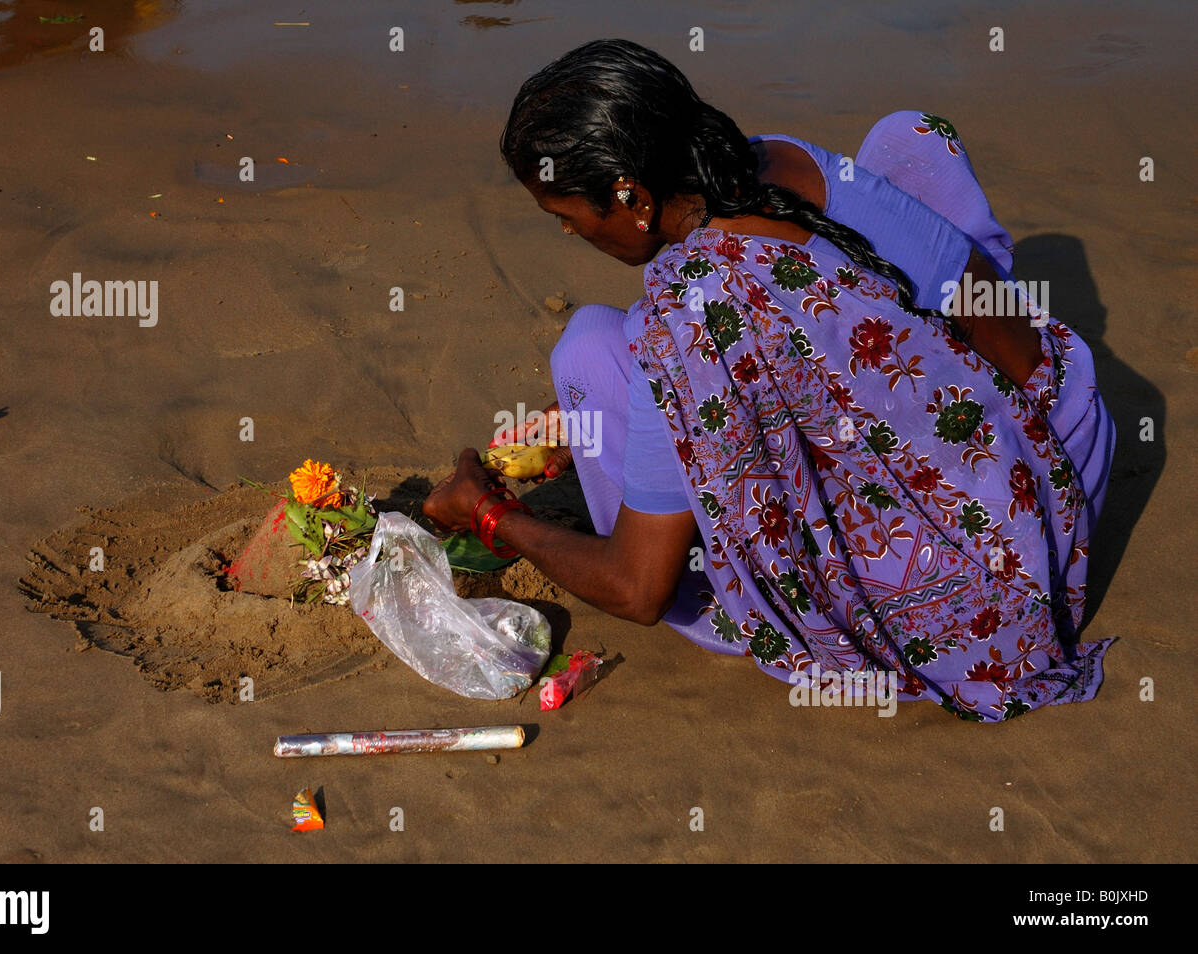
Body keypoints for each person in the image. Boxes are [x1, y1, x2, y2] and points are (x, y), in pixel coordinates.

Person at [423, 39, 1116, 723]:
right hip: (1066, 459)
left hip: (984, 596)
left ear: (629, 195)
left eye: (566, 218)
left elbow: (637, 590)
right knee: (909, 138)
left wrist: (490, 513)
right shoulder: (775, 157)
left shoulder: (690, 318)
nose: (570, 235)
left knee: (589, 348)